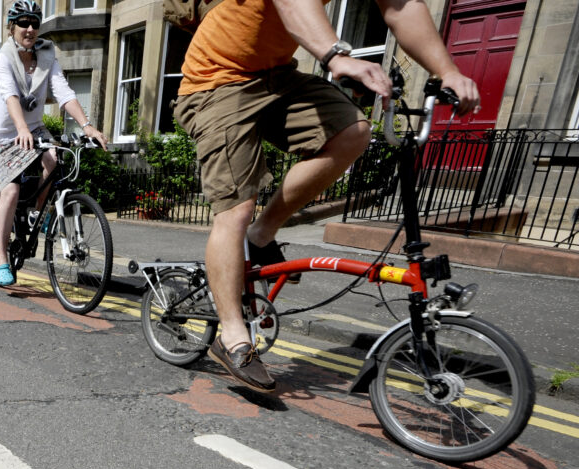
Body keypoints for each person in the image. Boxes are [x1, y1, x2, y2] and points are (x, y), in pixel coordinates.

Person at [173, 0, 479, 392]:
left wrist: (447, 70)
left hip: (279, 77)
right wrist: (337, 55)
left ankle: (261, 235)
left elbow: (402, 8)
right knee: (236, 207)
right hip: (216, 81)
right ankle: (232, 334)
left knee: (353, 132)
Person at [0, 0, 107, 287]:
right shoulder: (4, 59)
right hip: (4, 136)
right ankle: (1, 255)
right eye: (23, 23)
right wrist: (22, 128)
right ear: (11, 27)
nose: (30, 29)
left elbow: (63, 91)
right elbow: (10, 96)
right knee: (11, 191)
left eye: (35, 23)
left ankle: (36, 215)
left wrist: (87, 126)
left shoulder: (47, 56)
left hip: (33, 128)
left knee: (53, 160)